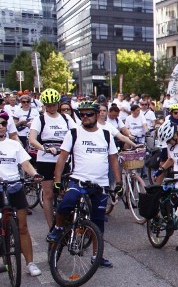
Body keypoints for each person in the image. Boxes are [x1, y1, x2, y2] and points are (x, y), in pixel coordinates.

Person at [47, 101, 122, 268]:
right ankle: (58, 228)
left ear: (97, 115)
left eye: (89, 114)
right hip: (78, 180)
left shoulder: (105, 134)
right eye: (82, 114)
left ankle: (97, 256)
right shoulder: (73, 133)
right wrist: (57, 181)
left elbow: (114, 160)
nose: (85, 117)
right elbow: (62, 158)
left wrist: (119, 182)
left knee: (98, 222)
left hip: (100, 184)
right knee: (66, 204)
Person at [0, 111, 43, 276]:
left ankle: (30, 263)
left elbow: (25, 164)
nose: (1, 127)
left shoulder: (14, 144)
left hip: (14, 186)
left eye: (3, 124)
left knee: (23, 227)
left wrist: (35, 174)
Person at [28, 88, 74, 230]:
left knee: (62, 192)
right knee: (48, 194)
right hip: (45, 160)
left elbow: (77, 134)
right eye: (48, 105)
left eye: (54, 105)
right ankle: (51, 228)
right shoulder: (39, 119)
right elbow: (32, 139)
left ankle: (62, 222)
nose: (51, 108)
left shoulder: (66, 118)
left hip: (63, 160)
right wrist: (45, 148)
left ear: (58, 104)